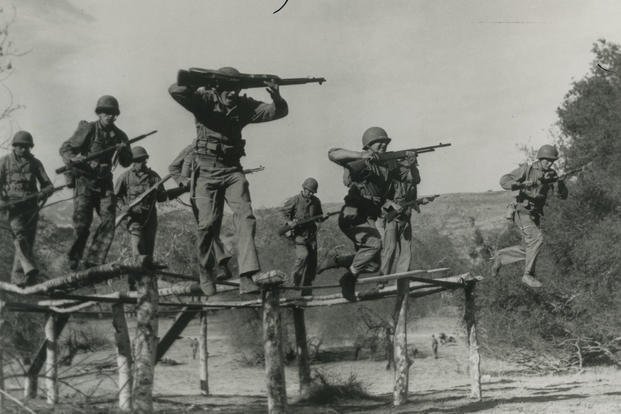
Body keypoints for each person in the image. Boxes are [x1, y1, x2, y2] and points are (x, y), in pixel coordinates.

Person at [168, 66, 288, 296]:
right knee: (207, 225)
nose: (232, 93)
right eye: (228, 88)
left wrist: (277, 97)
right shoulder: (203, 99)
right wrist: (193, 83)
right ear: (217, 87)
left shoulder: (244, 106)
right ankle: (206, 271)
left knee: (246, 218)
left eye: (236, 88)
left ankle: (247, 275)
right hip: (205, 171)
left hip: (232, 170)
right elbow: (176, 91)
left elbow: (277, 112)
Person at [326, 127, 416, 301]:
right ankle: (348, 279)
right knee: (374, 244)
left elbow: (412, 179)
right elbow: (332, 153)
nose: (383, 145)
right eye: (378, 142)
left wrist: (411, 164)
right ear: (368, 145)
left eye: (385, 142)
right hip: (353, 215)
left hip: (368, 217)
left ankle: (339, 261)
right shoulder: (359, 161)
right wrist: (361, 156)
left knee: (374, 264)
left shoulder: (388, 165)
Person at [59, 95, 132, 270]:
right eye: (107, 113)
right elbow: (65, 148)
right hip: (84, 181)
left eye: (114, 114)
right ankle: (74, 257)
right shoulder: (89, 129)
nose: (111, 116)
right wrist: (74, 158)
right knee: (82, 224)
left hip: (105, 183)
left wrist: (123, 151)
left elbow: (127, 162)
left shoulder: (120, 135)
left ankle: (94, 260)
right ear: (99, 113)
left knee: (109, 219)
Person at [493, 144, 568, 288]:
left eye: (552, 161)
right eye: (547, 160)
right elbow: (503, 181)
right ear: (540, 159)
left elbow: (562, 196)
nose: (550, 163)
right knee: (537, 238)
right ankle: (528, 275)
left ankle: (502, 257)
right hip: (522, 212)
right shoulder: (527, 170)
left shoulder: (551, 174)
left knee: (530, 247)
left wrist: (561, 183)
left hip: (534, 215)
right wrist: (520, 185)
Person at [168, 144, 234, 282]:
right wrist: (182, 182)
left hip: (216, 192)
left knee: (214, 227)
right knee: (207, 226)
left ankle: (218, 268)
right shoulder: (191, 148)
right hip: (198, 194)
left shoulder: (218, 146)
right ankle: (217, 266)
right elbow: (173, 167)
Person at [0, 131, 54, 286]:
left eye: (26, 147)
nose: (24, 150)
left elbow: (48, 185)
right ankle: (30, 269)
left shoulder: (35, 163)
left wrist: (44, 193)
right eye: (20, 147)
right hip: (13, 208)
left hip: (31, 208)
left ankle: (19, 279)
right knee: (20, 237)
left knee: (27, 242)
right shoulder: (4, 162)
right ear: (14, 147)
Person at [114, 146, 168, 289]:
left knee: (148, 254)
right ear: (133, 161)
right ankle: (134, 284)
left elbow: (163, 197)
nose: (141, 163)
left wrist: (180, 189)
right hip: (134, 220)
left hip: (150, 220)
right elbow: (116, 197)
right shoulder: (125, 177)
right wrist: (123, 207)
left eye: (143, 160)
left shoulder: (154, 176)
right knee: (137, 250)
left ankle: (147, 285)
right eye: (137, 161)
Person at [281, 177, 324, 296]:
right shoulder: (295, 200)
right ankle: (293, 282)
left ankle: (306, 290)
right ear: (303, 188)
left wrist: (321, 219)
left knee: (312, 263)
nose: (310, 193)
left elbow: (319, 215)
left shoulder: (316, 201)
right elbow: (284, 213)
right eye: (308, 190)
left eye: (312, 192)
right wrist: (289, 222)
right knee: (303, 256)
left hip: (311, 236)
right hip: (299, 235)